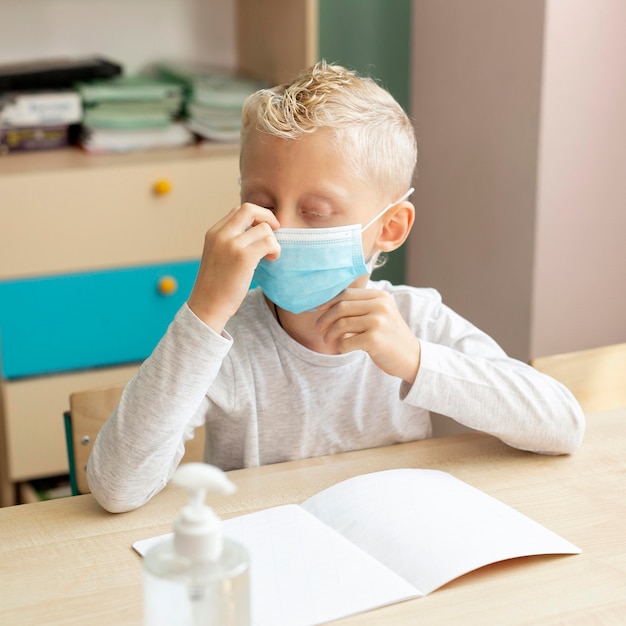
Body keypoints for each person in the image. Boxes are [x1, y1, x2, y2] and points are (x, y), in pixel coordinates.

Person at [87, 61, 584, 513]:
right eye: (260, 202)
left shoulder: (417, 320)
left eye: (316, 212)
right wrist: (205, 313)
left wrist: (414, 359)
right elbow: (116, 487)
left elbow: (562, 424)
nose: (279, 231)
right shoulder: (228, 342)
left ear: (390, 227)